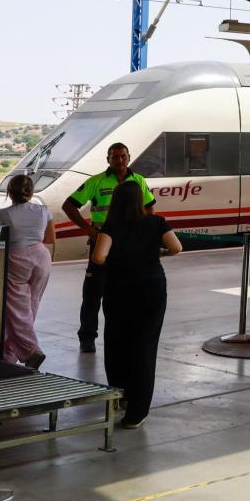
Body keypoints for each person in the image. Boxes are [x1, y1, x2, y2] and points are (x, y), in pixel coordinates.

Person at [92, 181, 181, 429]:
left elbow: (99, 257)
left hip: (118, 288)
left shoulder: (111, 225)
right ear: (141, 200)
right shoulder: (157, 222)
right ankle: (137, 412)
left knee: (117, 342)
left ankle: (121, 395)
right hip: (151, 287)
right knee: (144, 346)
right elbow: (176, 247)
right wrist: (155, 254)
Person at [63, 143, 153, 353]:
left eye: (122, 156)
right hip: (103, 240)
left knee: (130, 289)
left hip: (128, 243)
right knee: (93, 292)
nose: (119, 160)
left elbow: (149, 208)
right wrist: (88, 229)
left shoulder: (138, 180)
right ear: (108, 159)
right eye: (114, 157)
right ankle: (87, 337)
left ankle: (127, 334)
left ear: (129, 157)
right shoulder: (96, 181)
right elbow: (69, 205)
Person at [0, 174, 54, 368]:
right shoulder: (44, 211)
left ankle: (31, 352)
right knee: (31, 305)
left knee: (16, 310)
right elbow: (50, 238)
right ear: (32, 192)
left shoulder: (2, 215)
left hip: (16, 257)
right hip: (41, 256)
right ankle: (9, 355)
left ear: (10, 192)